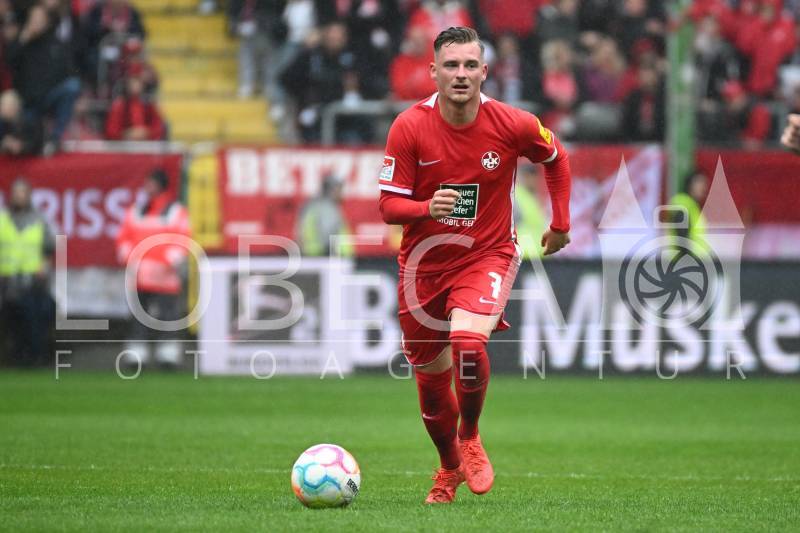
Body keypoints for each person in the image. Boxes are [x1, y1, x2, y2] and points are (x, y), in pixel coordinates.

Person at [378, 27, 571, 504]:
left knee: (468, 344)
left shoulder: (513, 123)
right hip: (423, 266)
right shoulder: (409, 127)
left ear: (484, 71)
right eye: (451, 65)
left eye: (469, 65)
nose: (460, 74)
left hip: (488, 253)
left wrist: (561, 224)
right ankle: (448, 468)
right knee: (430, 384)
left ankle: (470, 436)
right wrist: (427, 207)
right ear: (433, 72)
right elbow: (388, 206)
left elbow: (556, 157)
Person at [115, 169, 191, 369]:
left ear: (160, 185)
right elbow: (123, 238)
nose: (147, 187)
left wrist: (170, 261)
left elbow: (182, 240)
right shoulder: (136, 211)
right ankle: (136, 355)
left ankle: (168, 356)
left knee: (168, 316)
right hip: (139, 275)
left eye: (151, 183)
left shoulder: (175, 212)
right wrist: (130, 259)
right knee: (138, 316)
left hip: (165, 276)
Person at [0, 177, 55, 366]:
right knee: (11, 322)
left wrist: (43, 269)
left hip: (31, 281)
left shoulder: (39, 219)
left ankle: (34, 356)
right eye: (16, 193)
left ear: (29, 195)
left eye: (23, 193)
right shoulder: (3, 219)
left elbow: (49, 248)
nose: (19, 197)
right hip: (5, 281)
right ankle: (13, 356)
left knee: (35, 318)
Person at [295, 174, 352, 256]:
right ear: (331, 190)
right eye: (339, 189)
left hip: (312, 254)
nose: (341, 193)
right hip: (322, 256)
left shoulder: (313, 205)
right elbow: (328, 236)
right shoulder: (327, 208)